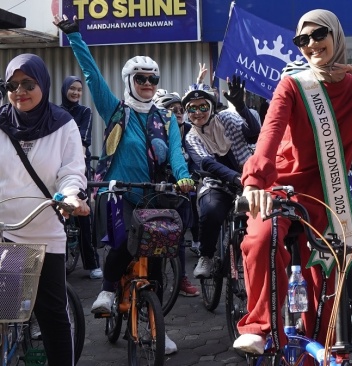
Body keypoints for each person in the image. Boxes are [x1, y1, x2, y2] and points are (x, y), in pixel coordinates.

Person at [232, 9, 352, 354]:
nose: (311, 44)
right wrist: (254, 182)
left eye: (319, 35)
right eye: (302, 40)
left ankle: (323, 351)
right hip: (281, 188)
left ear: (335, 36)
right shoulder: (293, 84)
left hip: (328, 196)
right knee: (261, 237)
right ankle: (259, 328)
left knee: (325, 285)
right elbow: (270, 132)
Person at [54, 14, 194, 355]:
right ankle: (106, 288)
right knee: (122, 245)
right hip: (122, 193)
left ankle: (156, 324)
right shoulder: (117, 111)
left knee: (158, 260)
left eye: (152, 78)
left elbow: (176, 152)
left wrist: (182, 176)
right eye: (140, 78)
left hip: (156, 193)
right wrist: (74, 35)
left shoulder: (166, 118)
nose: (147, 83)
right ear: (129, 80)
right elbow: (91, 75)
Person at [0, 53, 90, 365]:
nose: (19, 91)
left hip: (45, 235)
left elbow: (71, 171)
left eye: (27, 83)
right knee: (4, 311)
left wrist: (69, 196)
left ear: (43, 83)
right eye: (12, 85)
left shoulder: (63, 125)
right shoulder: (0, 123)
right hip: (6, 234)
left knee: (51, 314)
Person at [184, 82, 258, 279]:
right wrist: (234, 177)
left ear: (211, 106)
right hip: (217, 183)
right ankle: (206, 256)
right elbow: (206, 164)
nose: (198, 112)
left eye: (203, 106)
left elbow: (253, 135)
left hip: (248, 178)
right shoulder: (191, 137)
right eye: (192, 108)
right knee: (210, 211)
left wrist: (241, 107)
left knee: (260, 218)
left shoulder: (226, 118)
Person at [152, 88, 200, 297]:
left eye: (180, 109)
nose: (178, 113)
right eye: (172, 109)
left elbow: (199, 157)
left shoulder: (190, 131)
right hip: (157, 191)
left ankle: (180, 279)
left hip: (181, 193)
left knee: (179, 237)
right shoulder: (155, 133)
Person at [60, 75, 103, 280]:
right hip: (56, 166)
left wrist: (74, 155)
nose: (76, 93)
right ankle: (56, 261)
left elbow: (83, 140)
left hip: (78, 167)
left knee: (84, 215)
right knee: (56, 211)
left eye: (79, 89)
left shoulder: (85, 112)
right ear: (64, 90)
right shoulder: (56, 112)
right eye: (72, 89)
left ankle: (92, 263)